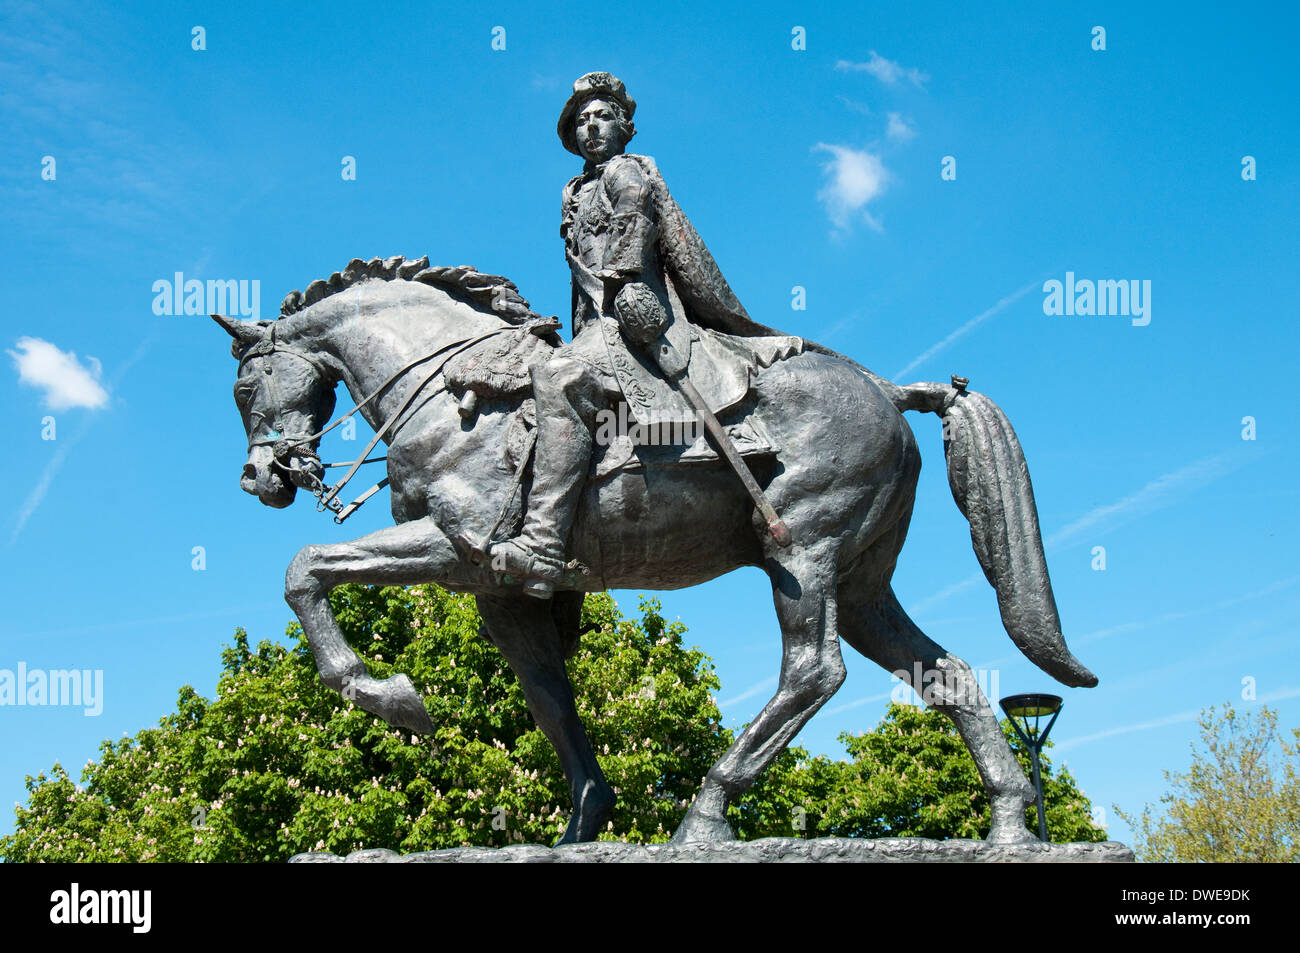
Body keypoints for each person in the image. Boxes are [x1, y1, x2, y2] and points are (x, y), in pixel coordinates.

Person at [487, 72, 799, 597]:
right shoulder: (573, 190)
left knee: (557, 375)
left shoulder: (627, 170)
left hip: (638, 316)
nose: (591, 128)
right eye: (581, 121)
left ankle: (542, 542)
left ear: (625, 127)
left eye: (602, 116)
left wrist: (628, 278)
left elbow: (635, 218)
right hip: (600, 325)